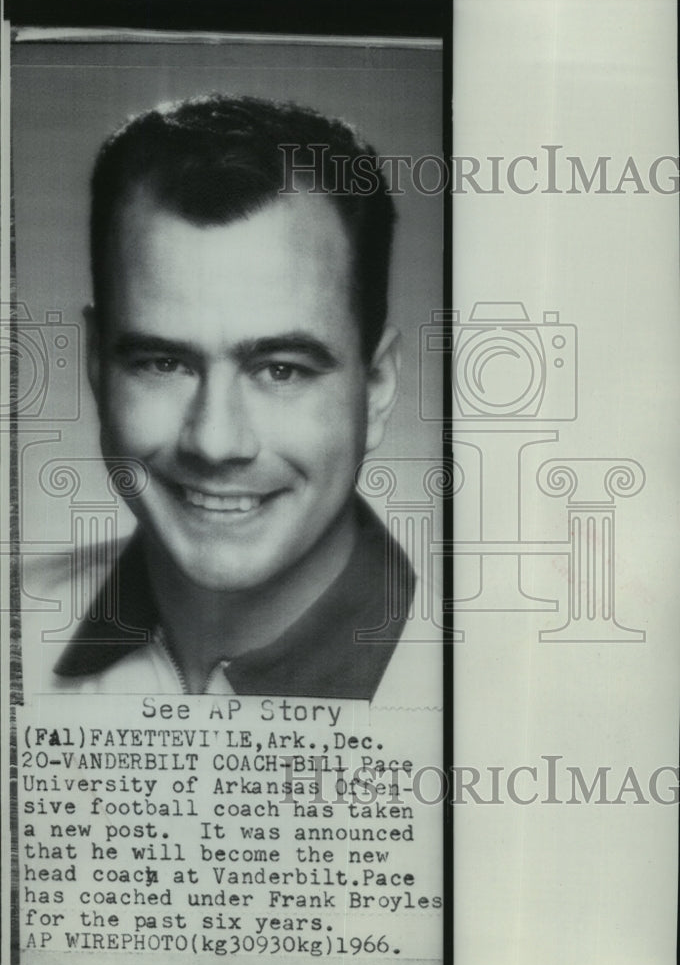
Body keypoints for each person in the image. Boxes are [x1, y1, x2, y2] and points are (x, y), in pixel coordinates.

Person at [28, 93, 441, 701]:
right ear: (96, 365)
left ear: (376, 387)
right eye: (163, 362)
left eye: (280, 370)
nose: (216, 441)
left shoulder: (483, 678)